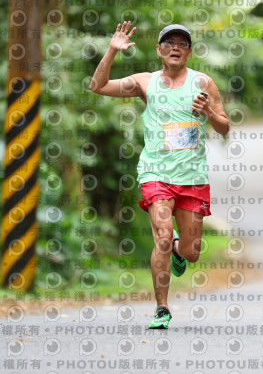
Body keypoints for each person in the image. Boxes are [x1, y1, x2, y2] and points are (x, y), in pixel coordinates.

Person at [89, 21, 230, 329]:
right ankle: (162, 308)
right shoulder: (145, 82)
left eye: (181, 44)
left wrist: (208, 112)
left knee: (191, 253)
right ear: (159, 50)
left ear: (189, 52)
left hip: (192, 177)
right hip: (156, 173)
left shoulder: (203, 83)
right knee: (163, 237)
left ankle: (180, 249)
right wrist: (112, 50)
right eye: (169, 43)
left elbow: (224, 126)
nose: (175, 48)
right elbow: (98, 86)